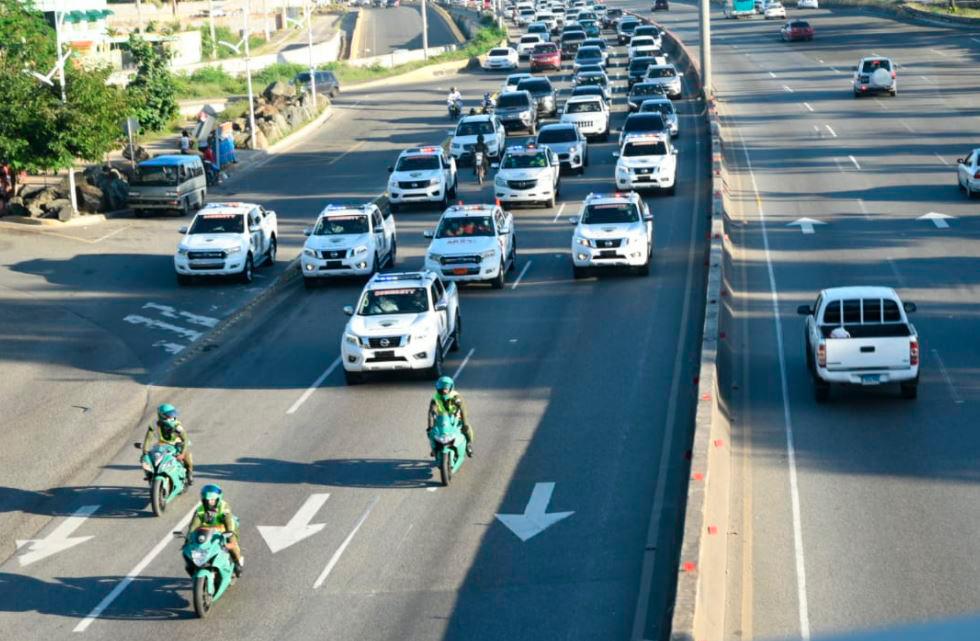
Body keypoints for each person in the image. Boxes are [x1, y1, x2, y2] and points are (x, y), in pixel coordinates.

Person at [186, 484, 245, 576]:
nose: (209, 503)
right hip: (208, 532)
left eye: (212, 500)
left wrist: (229, 531)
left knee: (231, 542)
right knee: (192, 546)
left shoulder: (224, 507)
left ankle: (237, 562)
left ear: (218, 499)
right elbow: (193, 526)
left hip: (224, 529)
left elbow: (228, 521)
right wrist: (189, 536)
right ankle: (194, 565)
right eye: (207, 500)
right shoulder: (200, 510)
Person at [142, 403, 193, 485]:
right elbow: (148, 439)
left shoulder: (177, 425)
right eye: (169, 415)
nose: (172, 417)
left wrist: (182, 454)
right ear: (162, 415)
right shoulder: (154, 425)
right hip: (161, 445)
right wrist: (145, 450)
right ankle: (149, 474)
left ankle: (189, 473)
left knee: (187, 455)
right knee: (145, 458)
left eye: (172, 414)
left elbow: (186, 439)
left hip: (177, 444)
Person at [428, 376, 474, 457]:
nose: (443, 390)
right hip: (442, 419)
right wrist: (430, 426)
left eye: (446, 388)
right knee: (431, 432)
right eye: (441, 387)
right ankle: (434, 448)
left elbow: (462, 409)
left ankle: (468, 445)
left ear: (451, 388)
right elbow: (431, 413)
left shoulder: (455, 397)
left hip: (456, 418)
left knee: (467, 429)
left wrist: (465, 424)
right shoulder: (435, 398)